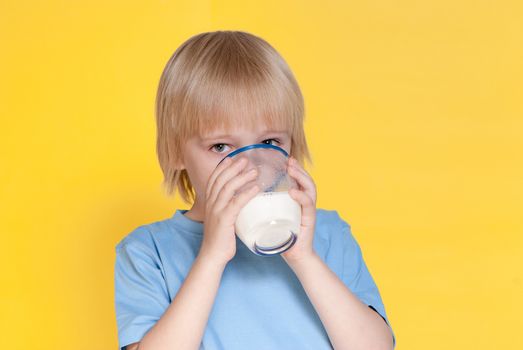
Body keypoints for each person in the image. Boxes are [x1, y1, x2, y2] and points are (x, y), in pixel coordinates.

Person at [114, 30, 396, 350]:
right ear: (177, 152)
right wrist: (211, 257)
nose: (251, 166)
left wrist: (304, 257)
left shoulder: (329, 234)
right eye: (220, 146)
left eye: (269, 142)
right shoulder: (148, 252)